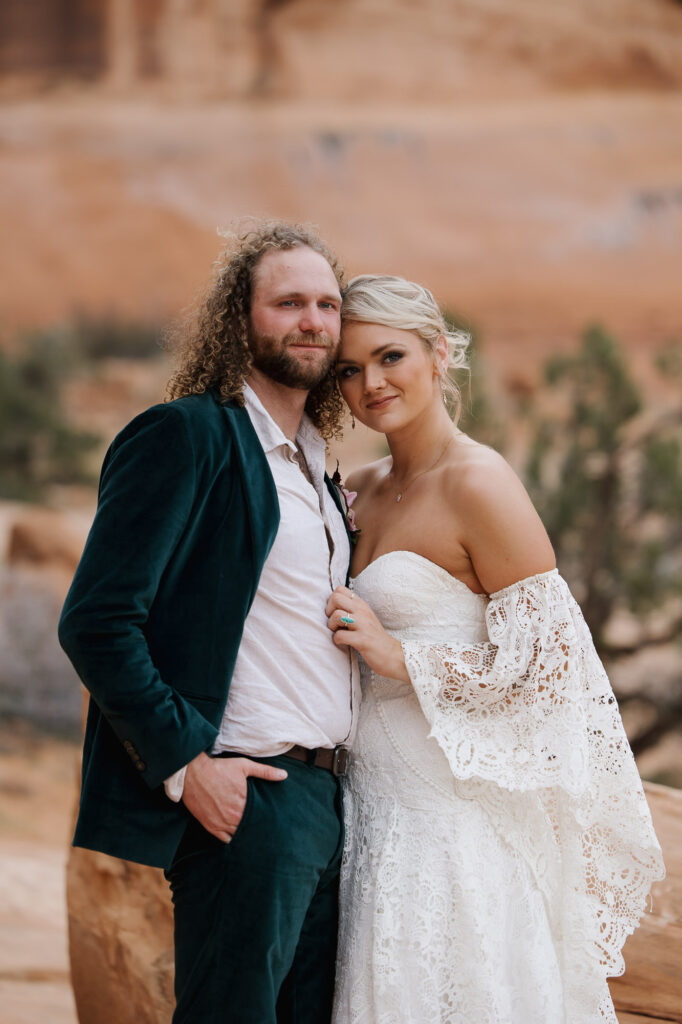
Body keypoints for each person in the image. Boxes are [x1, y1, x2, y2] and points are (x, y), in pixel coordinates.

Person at [326, 274, 665, 1024]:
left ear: (440, 353)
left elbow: (553, 671)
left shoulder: (481, 484)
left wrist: (401, 657)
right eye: (348, 369)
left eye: (390, 357)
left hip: (450, 826)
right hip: (368, 810)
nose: (370, 383)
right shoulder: (359, 488)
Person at [58, 220, 359, 1024]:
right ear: (239, 319)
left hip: (331, 805)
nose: (313, 321)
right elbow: (97, 621)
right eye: (288, 301)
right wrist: (190, 764)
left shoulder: (318, 468)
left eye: (328, 304)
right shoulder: (190, 435)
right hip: (247, 800)